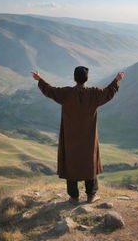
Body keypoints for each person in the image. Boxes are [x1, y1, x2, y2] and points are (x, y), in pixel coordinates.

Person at [31, 66, 124, 204]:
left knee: (71, 162)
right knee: (89, 162)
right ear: (87, 78)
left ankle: (73, 197)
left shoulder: (66, 93)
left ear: (74, 78)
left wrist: (39, 79)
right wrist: (117, 80)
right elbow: (108, 92)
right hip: (89, 138)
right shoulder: (94, 94)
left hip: (70, 137)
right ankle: (91, 195)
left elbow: (50, 91)